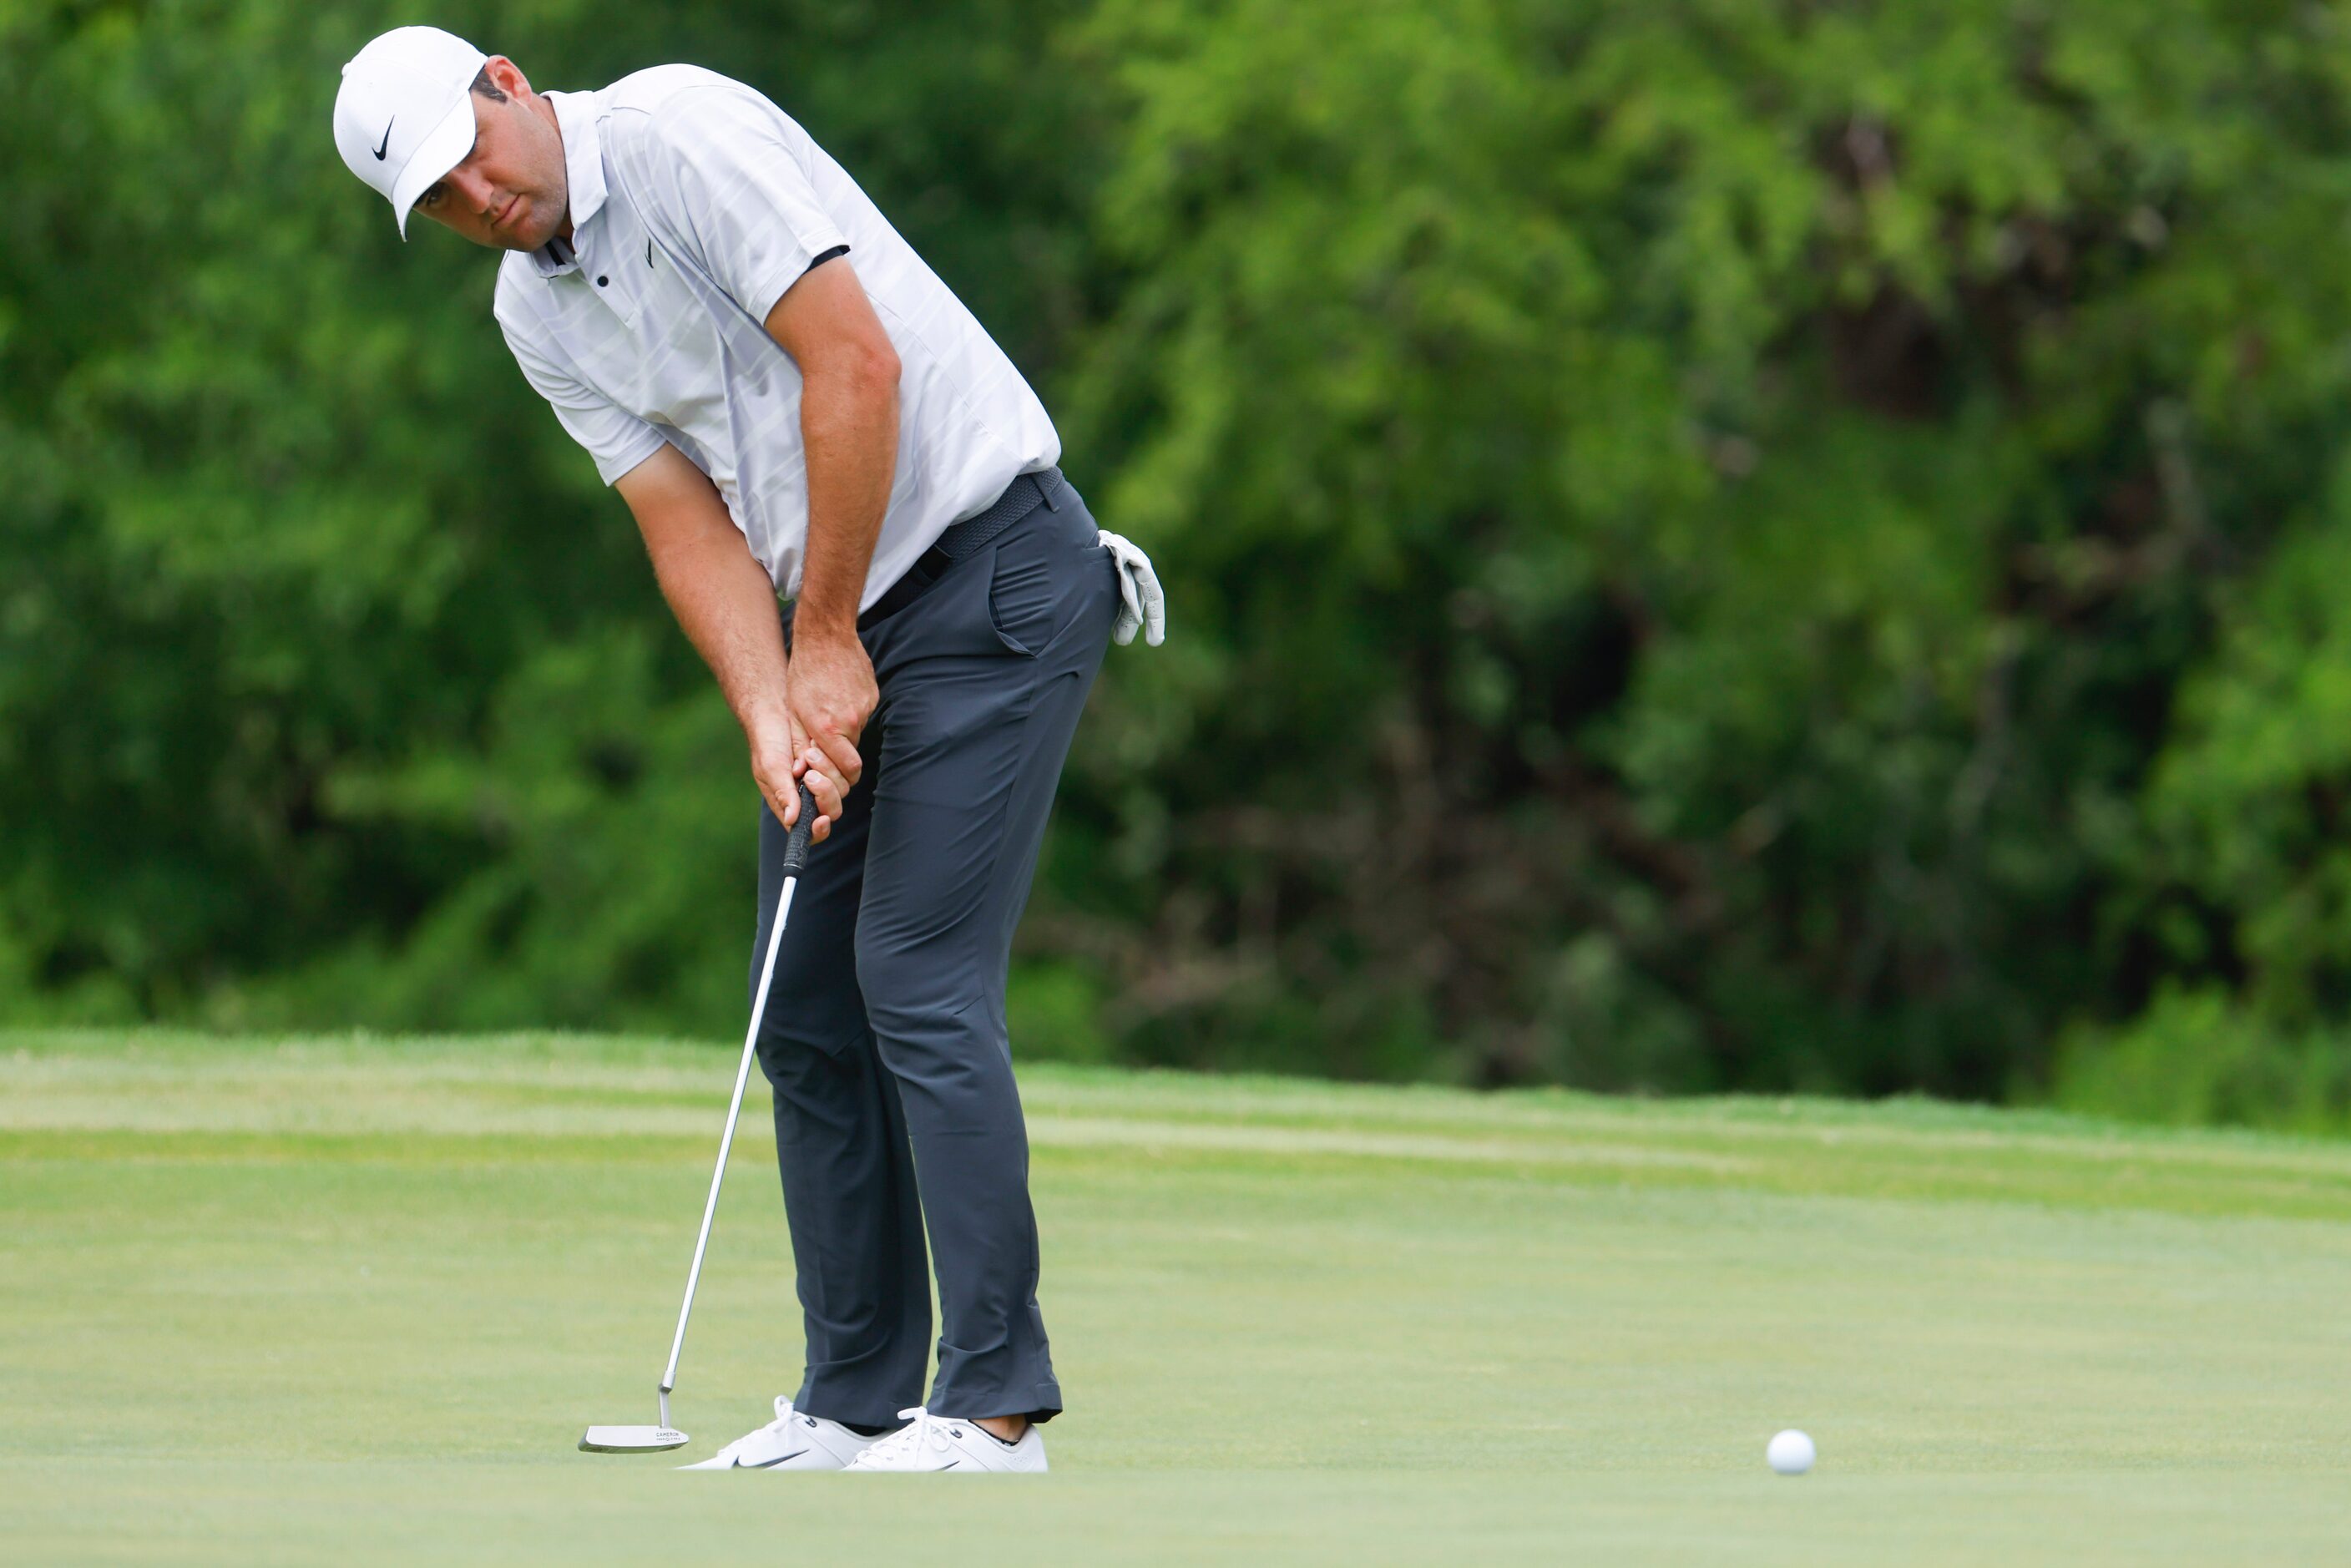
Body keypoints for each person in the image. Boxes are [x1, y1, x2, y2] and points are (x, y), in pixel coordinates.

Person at [332, 25, 1162, 1474]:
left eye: (474, 162)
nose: (481, 205)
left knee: (914, 973)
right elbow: (681, 521)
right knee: (803, 1005)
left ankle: (995, 1404)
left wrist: (826, 635)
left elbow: (855, 366)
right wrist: (772, 704)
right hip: (844, 612)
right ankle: (852, 1399)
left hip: (991, 575)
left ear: (510, 86)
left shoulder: (678, 132)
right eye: (444, 206)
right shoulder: (534, 316)